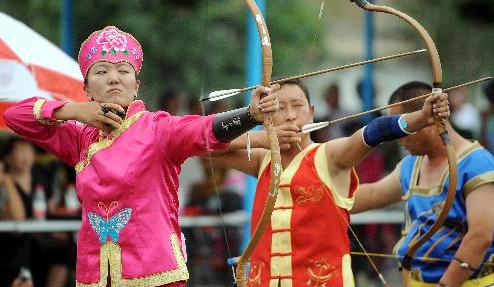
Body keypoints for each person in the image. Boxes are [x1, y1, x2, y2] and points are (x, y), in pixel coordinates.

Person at [3, 26, 279, 287]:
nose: (113, 77)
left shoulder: (159, 128)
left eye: (123, 71)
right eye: (101, 71)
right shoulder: (79, 137)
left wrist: (250, 115)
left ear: (136, 85)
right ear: (86, 88)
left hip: (155, 274)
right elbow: (15, 116)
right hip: (95, 275)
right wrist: (75, 111)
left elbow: (205, 129)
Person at [211, 78, 450, 286]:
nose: (290, 115)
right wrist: (260, 134)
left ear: (312, 112)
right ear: (264, 117)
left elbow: (369, 134)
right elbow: (207, 144)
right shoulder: (262, 160)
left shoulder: (329, 156)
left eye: (298, 106)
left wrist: (420, 117)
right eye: (279, 108)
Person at [351, 81, 494, 287]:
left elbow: (481, 236)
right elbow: (371, 194)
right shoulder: (412, 165)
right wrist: (315, 198)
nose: (397, 138)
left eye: (404, 126)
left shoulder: (477, 163)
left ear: (425, 119)